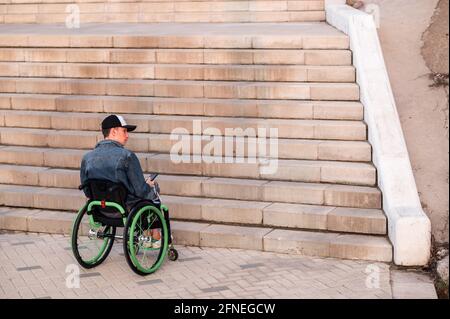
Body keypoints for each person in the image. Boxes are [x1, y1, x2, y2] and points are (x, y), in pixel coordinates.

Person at [80, 114, 168, 248]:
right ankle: (155, 236)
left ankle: (150, 234)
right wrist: (149, 186)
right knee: (152, 190)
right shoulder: (127, 156)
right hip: (125, 209)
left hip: (99, 209)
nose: (127, 135)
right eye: (124, 131)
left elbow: (87, 189)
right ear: (114, 131)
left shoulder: (87, 158)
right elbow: (140, 190)